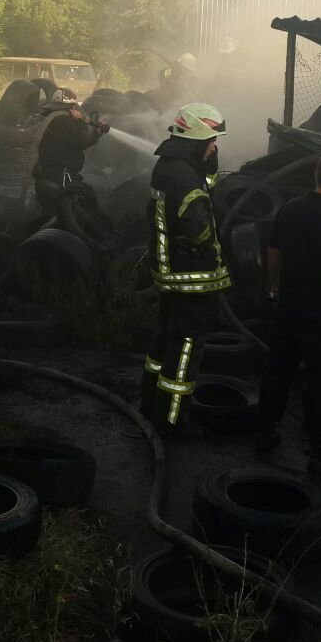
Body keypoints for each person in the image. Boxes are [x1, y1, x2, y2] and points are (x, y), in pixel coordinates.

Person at [255, 153, 321, 476]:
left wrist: (274, 287)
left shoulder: (289, 210)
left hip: (288, 307)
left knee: (277, 372)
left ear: (316, 178)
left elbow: (274, 255)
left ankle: (264, 435)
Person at [139, 103, 231, 433]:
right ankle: (173, 421)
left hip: (168, 272)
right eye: (211, 141)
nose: (214, 146)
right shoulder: (183, 178)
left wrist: (210, 167)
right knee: (187, 346)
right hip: (189, 275)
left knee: (165, 340)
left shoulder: (170, 166)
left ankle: (149, 405)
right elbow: (197, 226)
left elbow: (204, 185)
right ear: (195, 141)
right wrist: (209, 244)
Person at [33, 87, 110, 222]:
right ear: (72, 106)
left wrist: (94, 130)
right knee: (62, 216)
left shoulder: (48, 119)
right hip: (61, 177)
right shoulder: (64, 122)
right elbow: (82, 141)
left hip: (45, 174)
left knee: (49, 213)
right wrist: (83, 123)